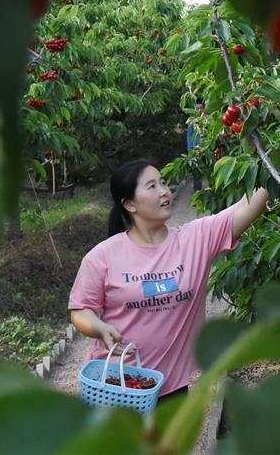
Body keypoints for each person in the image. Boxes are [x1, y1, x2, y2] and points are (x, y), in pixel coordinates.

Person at [69, 158, 267, 434]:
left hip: (170, 388)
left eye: (163, 182)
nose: (165, 190)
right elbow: (80, 311)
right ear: (130, 204)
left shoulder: (195, 239)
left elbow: (251, 203)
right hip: (116, 386)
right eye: (152, 186)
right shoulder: (102, 257)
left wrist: (270, 154)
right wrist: (98, 327)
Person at [186, 102, 205, 191]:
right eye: (196, 108)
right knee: (196, 172)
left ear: (203, 109)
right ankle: (197, 192)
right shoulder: (192, 121)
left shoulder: (206, 120)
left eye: (200, 108)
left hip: (206, 149)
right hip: (195, 150)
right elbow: (189, 136)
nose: (198, 110)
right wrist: (190, 151)